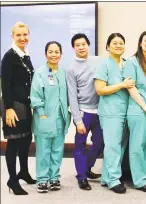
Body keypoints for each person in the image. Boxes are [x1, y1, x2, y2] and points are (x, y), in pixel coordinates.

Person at [95, 33, 135, 194]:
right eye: (114, 43)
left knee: (120, 146)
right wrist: (122, 85)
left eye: (121, 43)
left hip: (126, 110)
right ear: (108, 47)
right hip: (111, 111)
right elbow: (100, 89)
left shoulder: (127, 64)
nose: (118, 45)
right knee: (112, 146)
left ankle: (107, 176)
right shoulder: (104, 65)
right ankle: (113, 179)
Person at [123, 31, 146, 193]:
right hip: (139, 110)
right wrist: (145, 106)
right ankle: (139, 180)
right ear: (140, 43)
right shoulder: (132, 62)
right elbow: (131, 87)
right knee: (137, 146)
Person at [30, 41, 71, 193]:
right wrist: (42, 115)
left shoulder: (64, 72)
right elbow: (35, 96)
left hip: (61, 118)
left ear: (61, 54)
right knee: (43, 151)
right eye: (51, 52)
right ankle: (42, 179)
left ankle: (54, 177)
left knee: (57, 150)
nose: (54, 55)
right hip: (44, 118)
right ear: (45, 54)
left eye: (57, 52)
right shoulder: (40, 72)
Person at [1, 22, 36, 195]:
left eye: (25, 35)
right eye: (18, 35)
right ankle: (12, 180)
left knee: (26, 140)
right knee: (13, 143)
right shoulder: (9, 56)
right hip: (13, 106)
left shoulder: (25, 55)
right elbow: (5, 84)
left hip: (25, 104)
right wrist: (8, 108)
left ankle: (23, 172)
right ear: (12, 36)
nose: (22, 38)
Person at [66, 33, 104, 190]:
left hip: (99, 110)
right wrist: (78, 120)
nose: (81, 47)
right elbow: (72, 96)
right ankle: (81, 177)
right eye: (77, 45)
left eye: (84, 44)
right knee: (80, 145)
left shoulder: (98, 61)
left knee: (100, 142)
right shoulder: (71, 68)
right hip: (83, 112)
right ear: (74, 47)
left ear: (88, 45)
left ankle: (87, 168)